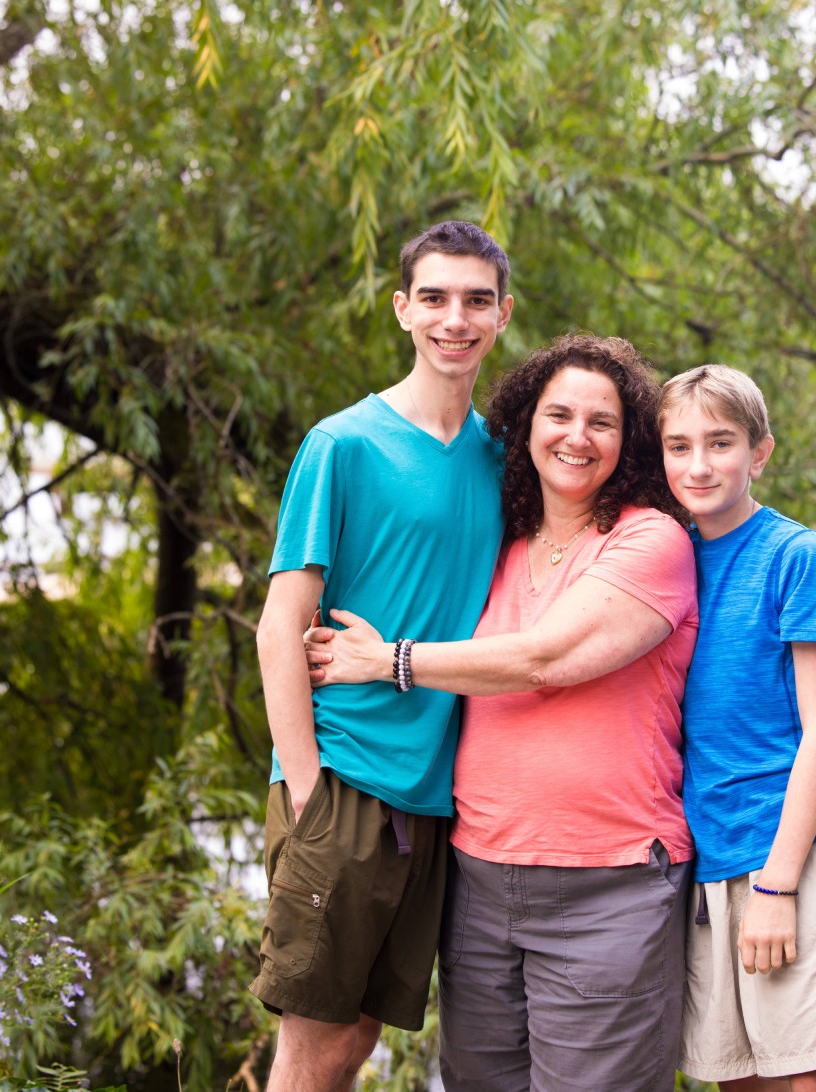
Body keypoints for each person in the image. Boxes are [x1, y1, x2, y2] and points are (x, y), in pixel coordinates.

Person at [307, 333, 699, 1091]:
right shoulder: (505, 542)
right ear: (525, 426)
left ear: (631, 440)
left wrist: (390, 661)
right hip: (480, 881)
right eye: (559, 416)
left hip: (607, 889)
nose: (577, 438)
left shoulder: (650, 541)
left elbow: (545, 658)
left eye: (602, 422)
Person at [250, 220, 514, 1092]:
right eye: (434, 297)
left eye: (476, 300)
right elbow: (281, 622)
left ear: (503, 315)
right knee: (313, 1045)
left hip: (440, 799)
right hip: (349, 781)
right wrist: (305, 790)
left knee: (359, 1039)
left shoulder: (503, 462)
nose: (455, 318)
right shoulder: (344, 445)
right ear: (402, 308)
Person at [656, 364, 816, 1091]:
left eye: (720, 443)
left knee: (811, 1076)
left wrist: (778, 888)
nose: (698, 464)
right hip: (710, 852)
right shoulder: (667, 559)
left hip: (796, 847)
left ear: (759, 453)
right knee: (739, 1076)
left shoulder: (794, 555)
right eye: (678, 445)